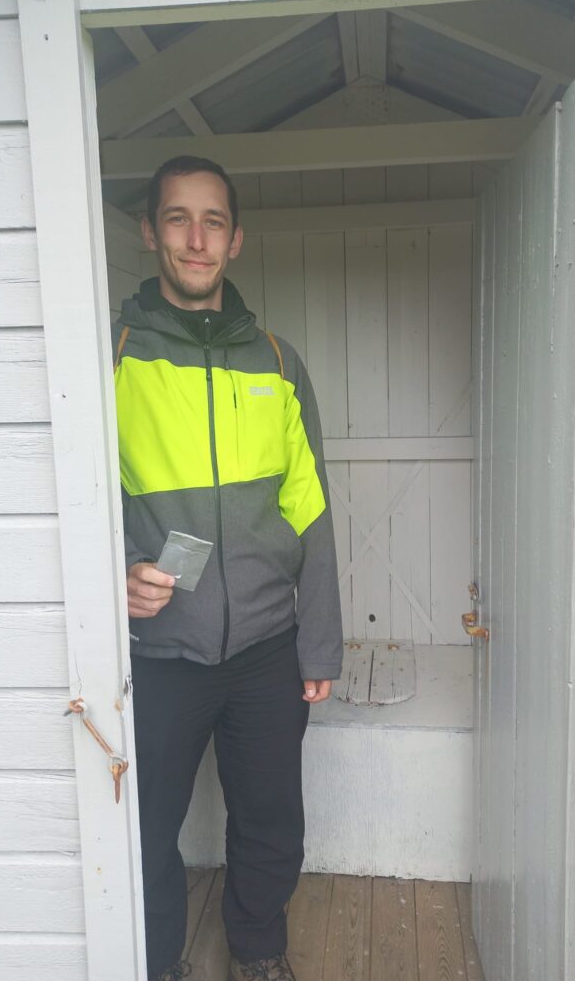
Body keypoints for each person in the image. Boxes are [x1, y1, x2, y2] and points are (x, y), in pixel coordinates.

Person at [112, 155, 343, 981]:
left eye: (213, 221)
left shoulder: (278, 362)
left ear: (235, 240)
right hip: (156, 655)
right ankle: (156, 964)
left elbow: (311, 509)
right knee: (144, 830)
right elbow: (69, 498)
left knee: (271, 822)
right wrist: (116, 574)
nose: (196, 238)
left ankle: (258, 952)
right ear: (150, 232)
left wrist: (320, 642)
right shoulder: (111, 357)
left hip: (266, 651)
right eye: (178, 218)